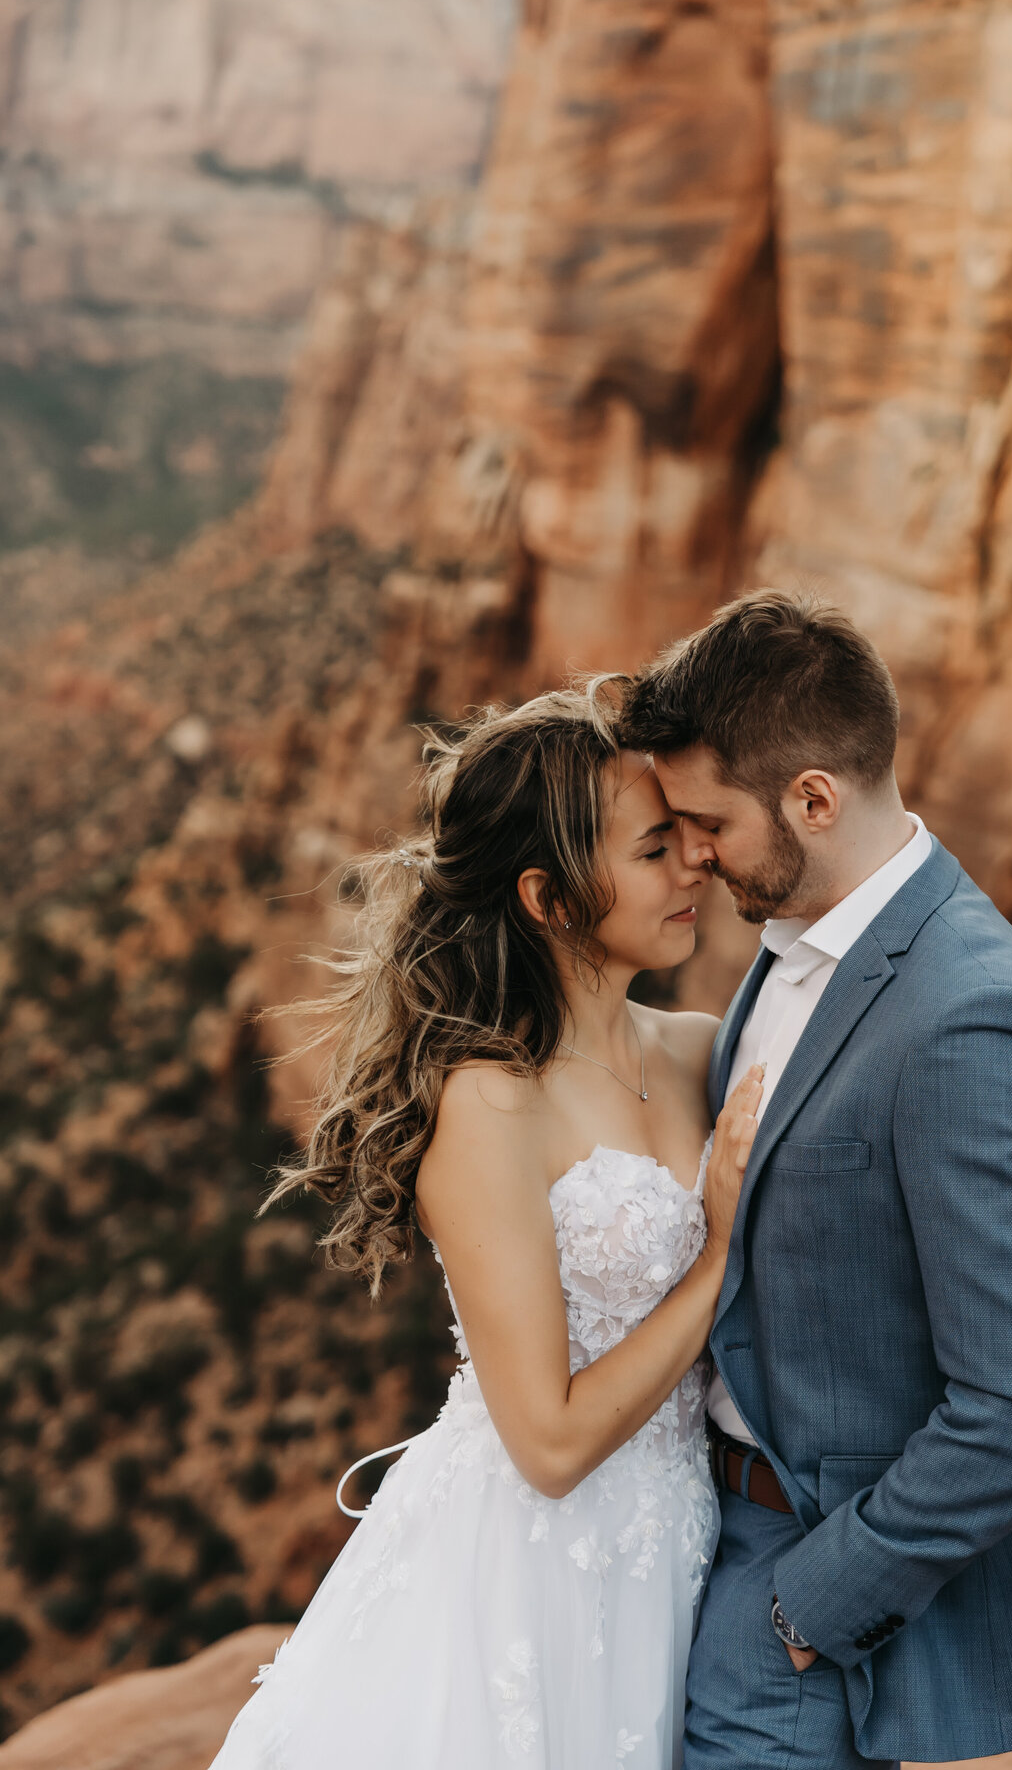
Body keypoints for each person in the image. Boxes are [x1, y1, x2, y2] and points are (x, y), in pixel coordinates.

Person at [208, 683, 763, 1770]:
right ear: (550, 899)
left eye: (689, 839)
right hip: (525, 1574)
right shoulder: (490, 1100)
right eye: (655, 850)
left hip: (675, 1549)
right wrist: (719, 1258)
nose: (696, 865)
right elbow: (548, 1446)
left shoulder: (702, 1047)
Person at [620, 588, 1012, 1770]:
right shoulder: (791, 947)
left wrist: (807, 1610)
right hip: (692, 1540)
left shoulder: (970, 1015)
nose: (691, 852)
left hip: (803, 1612)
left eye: (708, 820)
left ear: (813, 800)